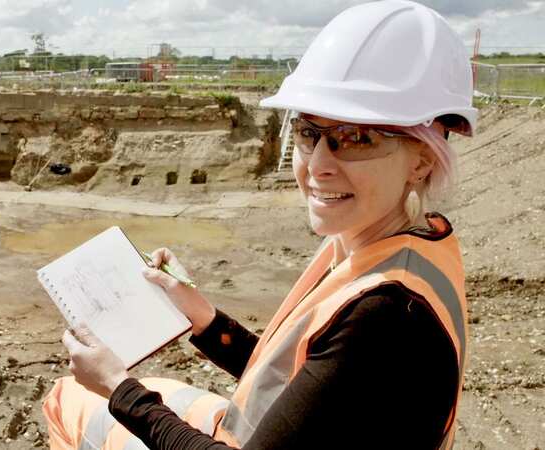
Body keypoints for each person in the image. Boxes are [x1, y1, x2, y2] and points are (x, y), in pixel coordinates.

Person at [43, 1, 477, 448]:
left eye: (356, 138)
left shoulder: (385, 313)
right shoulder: (409, 242)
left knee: (68, 400)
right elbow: (304, 384)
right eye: (309, 133)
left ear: (422, 161)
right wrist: (202, 318)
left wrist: (118, 387)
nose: (318, 165)